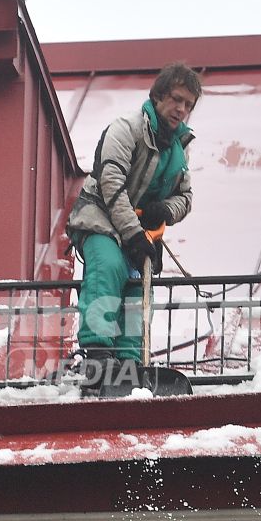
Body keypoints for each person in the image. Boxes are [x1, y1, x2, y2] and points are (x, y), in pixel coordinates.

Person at [65, 61, 199, 395]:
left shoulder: (180, 150)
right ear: (157, 97)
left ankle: (129, 364)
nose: (181, 109)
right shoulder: (125, 129)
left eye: (189, 105)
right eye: (177, 100)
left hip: (139, 233)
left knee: (139, 289)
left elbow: (187, 197)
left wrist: (163, 210)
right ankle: (98, 357)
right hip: (100, 219)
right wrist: (135, 234)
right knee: (108, 268)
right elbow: (110, 183)